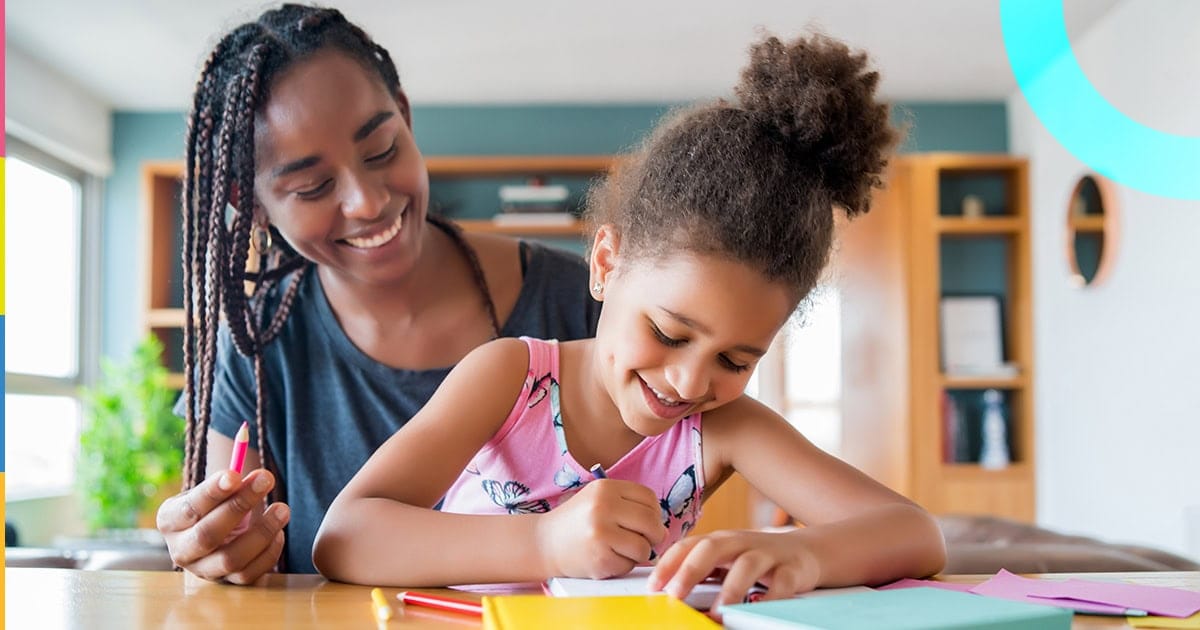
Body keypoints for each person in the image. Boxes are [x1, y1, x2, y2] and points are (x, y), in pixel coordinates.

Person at [313, 32, 946, 608]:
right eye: (669, 333)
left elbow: (916, 534)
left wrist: (805, 554)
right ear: (606, 264)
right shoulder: (510, 377)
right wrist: (545, 542)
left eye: (736, 360)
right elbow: (345, 537)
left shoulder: (721, 426)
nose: (690, 382)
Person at [153, 4, 601, 583]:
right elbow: (223, 558)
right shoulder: (256, 348)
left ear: (405, 119)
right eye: (313, 186)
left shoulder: (579, 301)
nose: (367, 201)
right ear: (253, 205)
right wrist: (216, 553)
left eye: (382, 150)